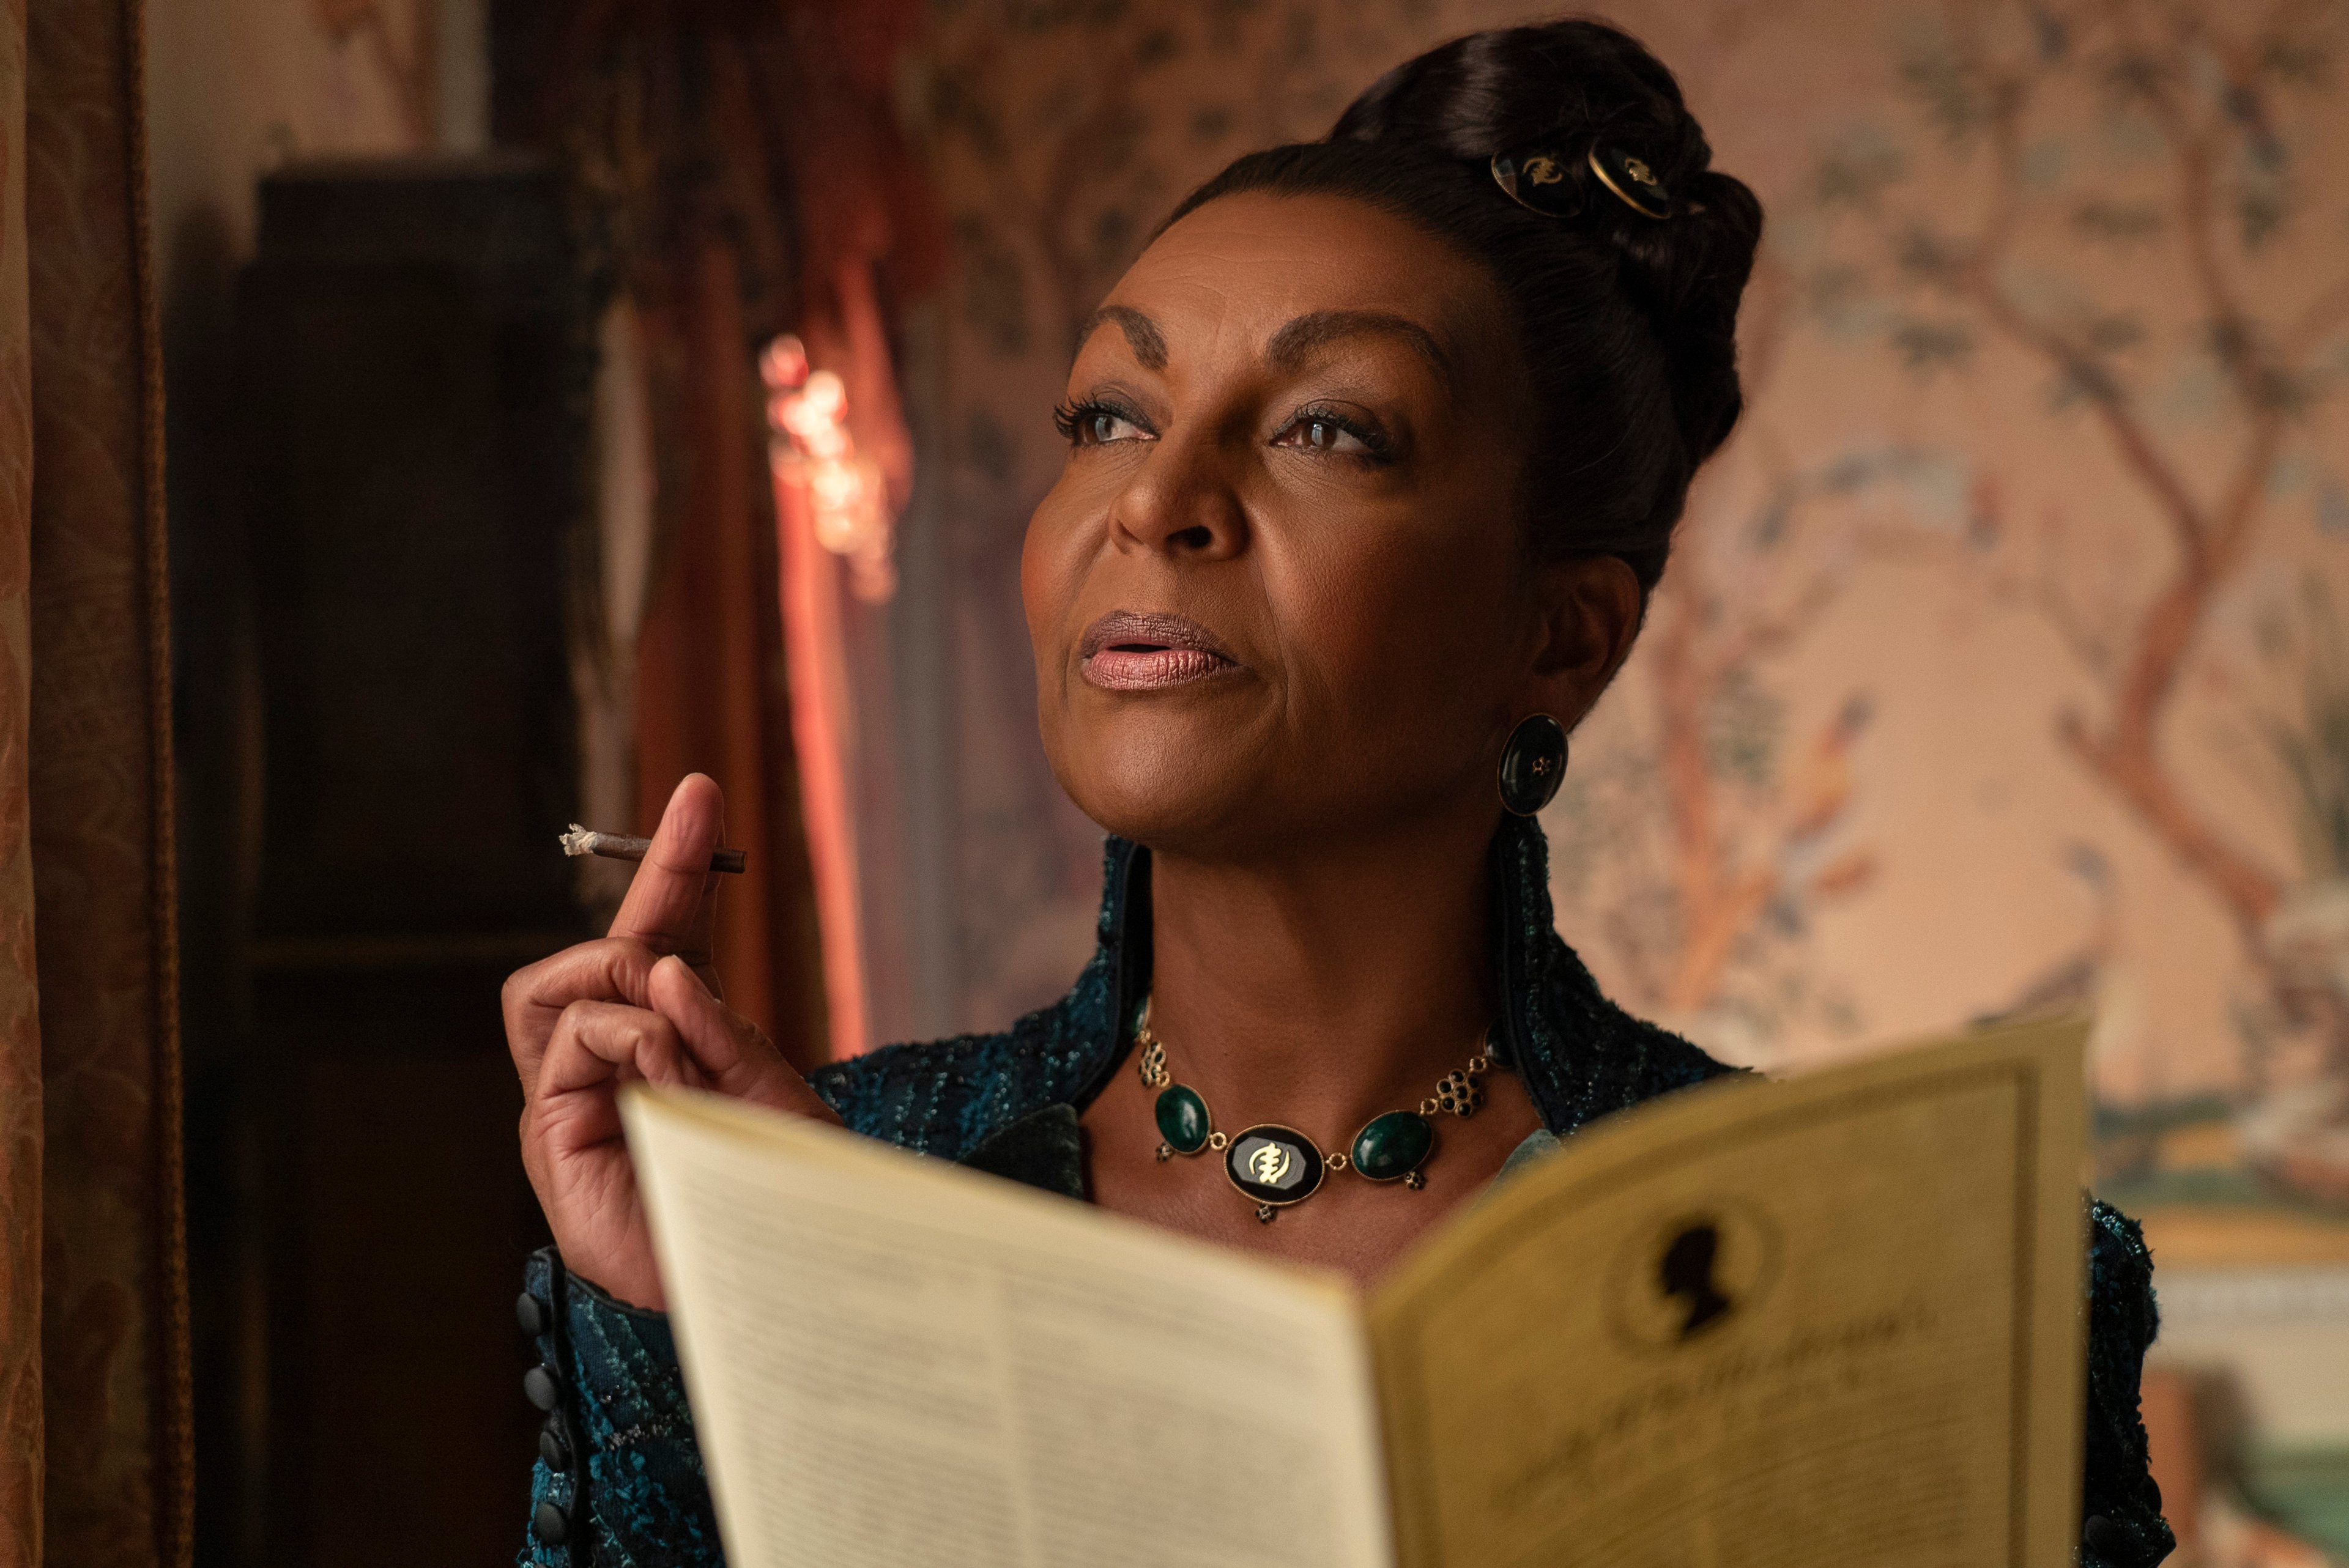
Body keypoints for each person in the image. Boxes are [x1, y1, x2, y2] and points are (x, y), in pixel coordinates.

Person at [502, 19, 2172, 1567]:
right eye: (1107, 410)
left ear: (1562, 633)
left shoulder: (1908, 1283)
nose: (1155, 499)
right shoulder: (815, 1187)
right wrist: (750, 1319)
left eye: (1326, 431)